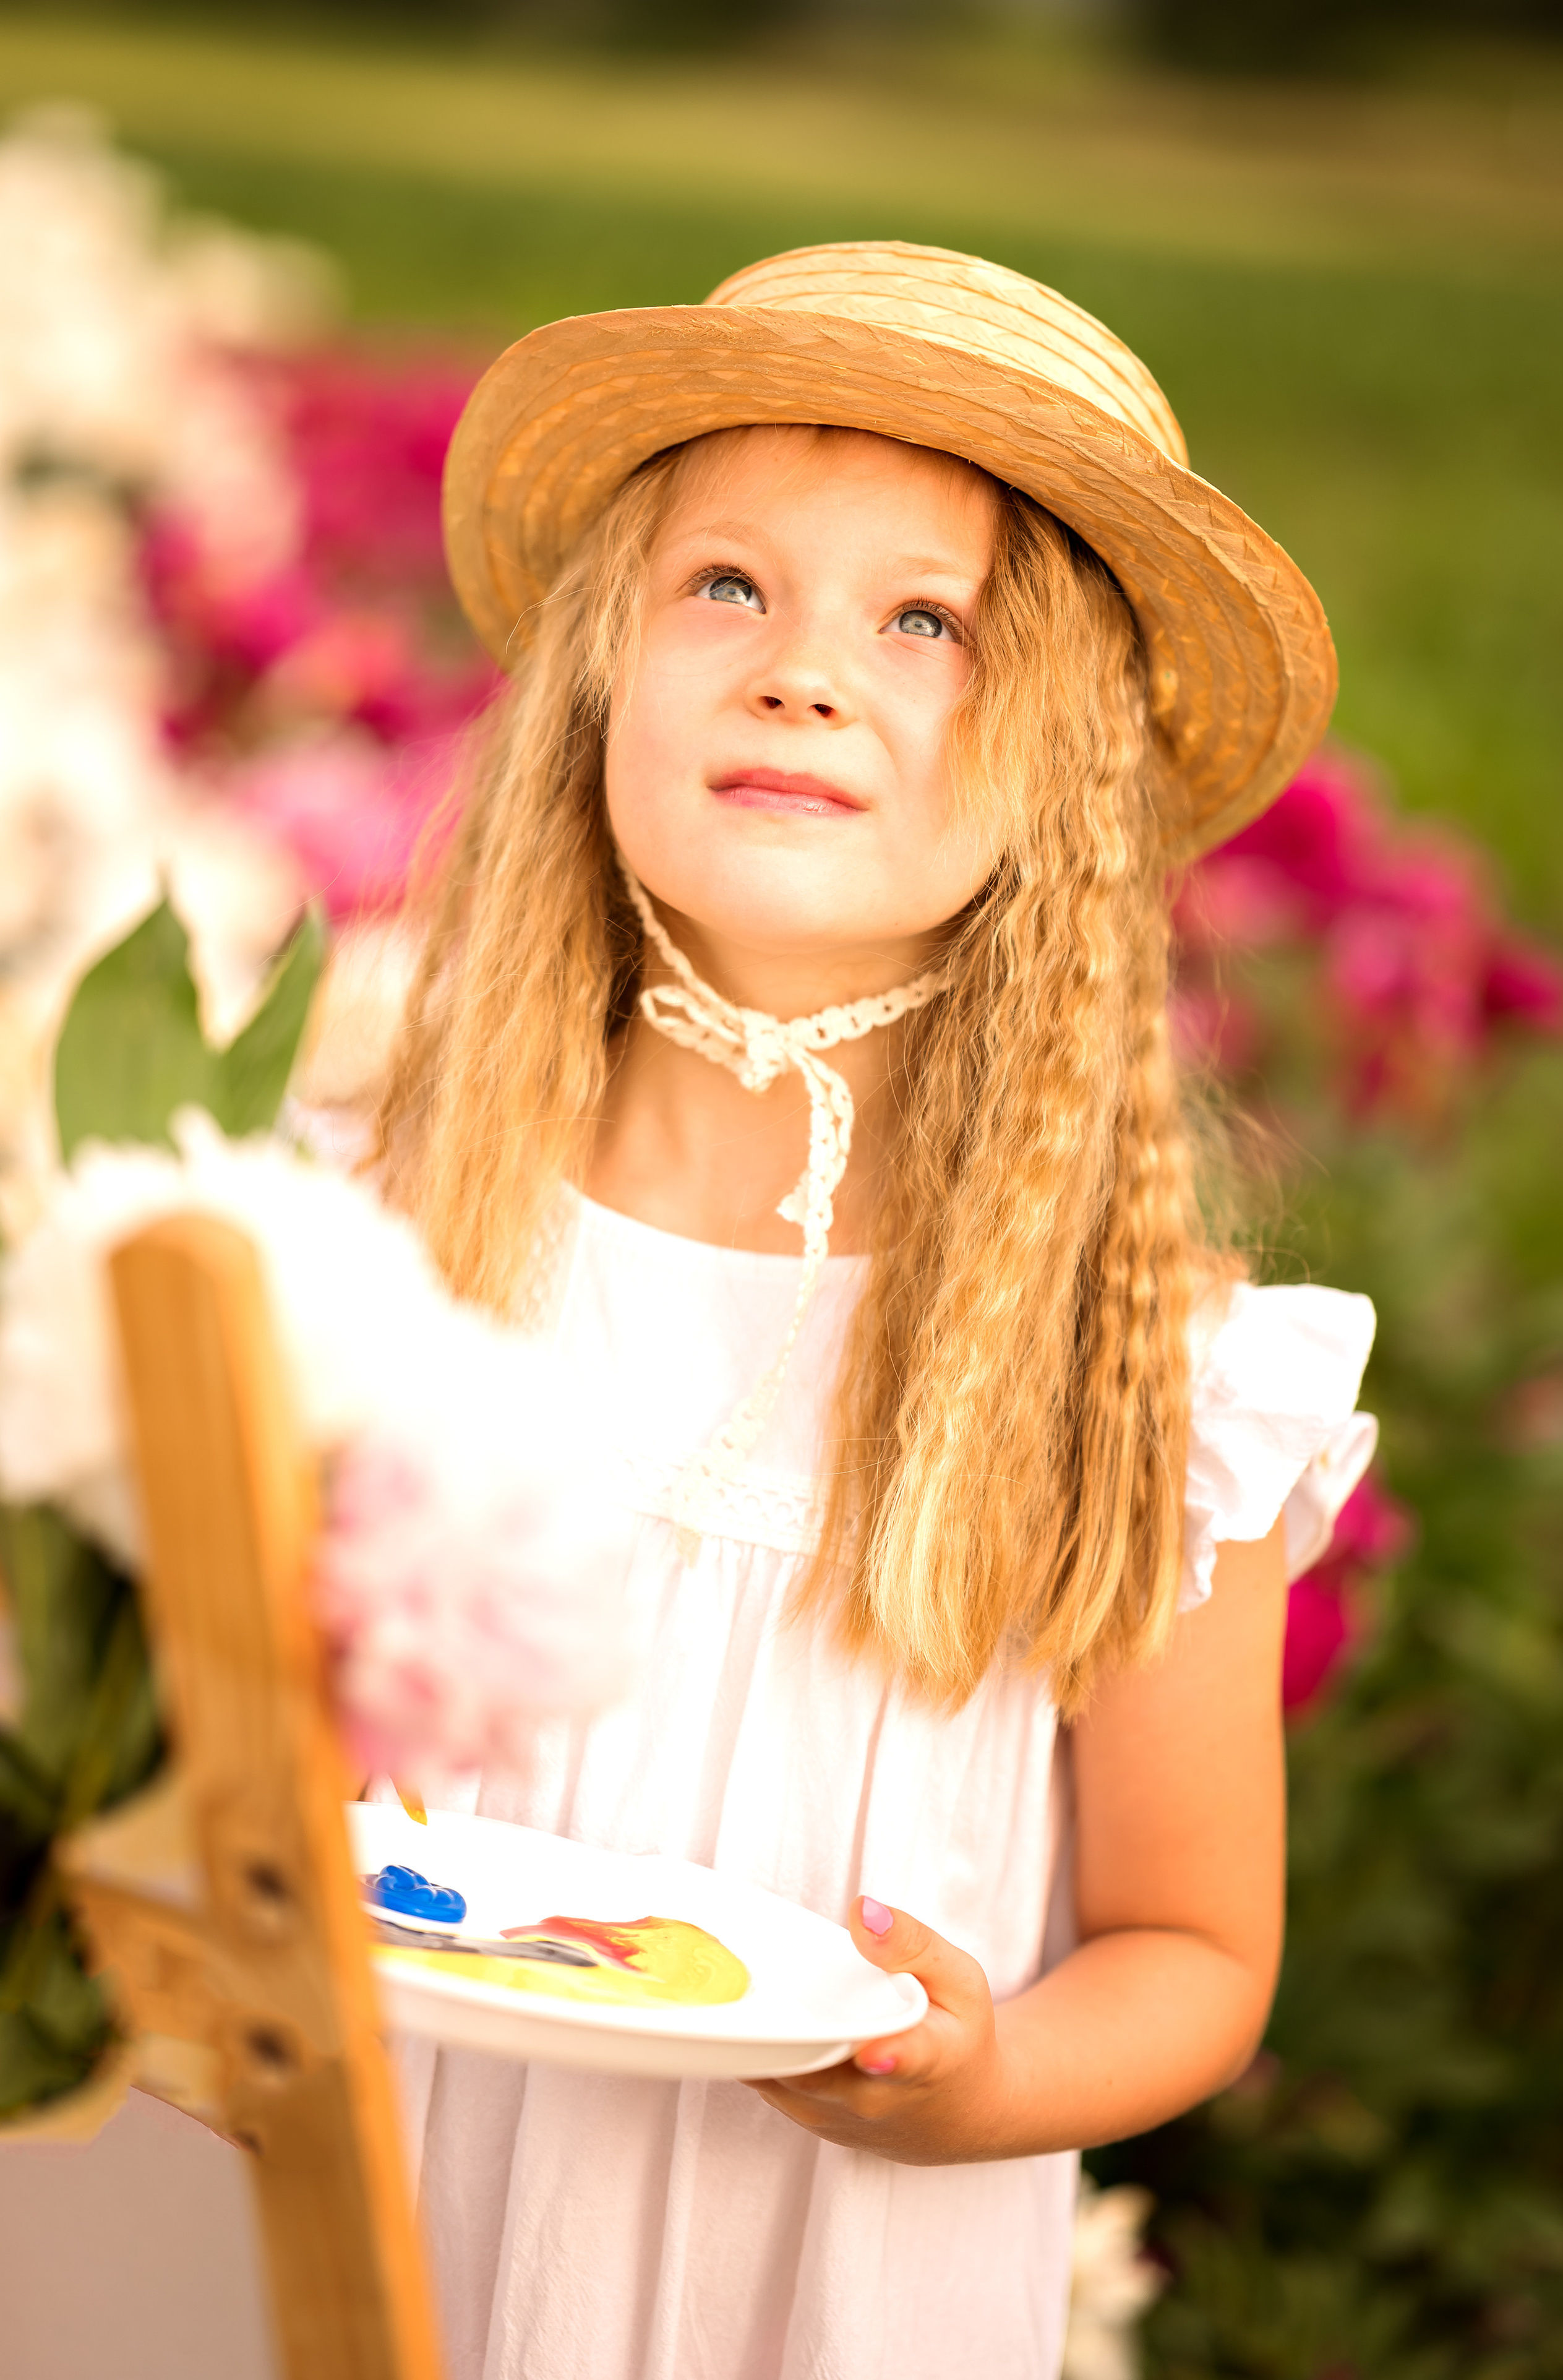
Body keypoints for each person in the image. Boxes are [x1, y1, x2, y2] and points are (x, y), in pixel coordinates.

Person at [373, 242, 1377, 2379]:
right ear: (597, 679)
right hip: (355, 2223)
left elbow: (1193, 1946)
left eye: (927, 624)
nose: (803, 672)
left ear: (1065, 788)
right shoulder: (378, 1240)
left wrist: (981, 2082)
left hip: (810, 2285)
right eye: (728, 586)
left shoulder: (1141, 1377)